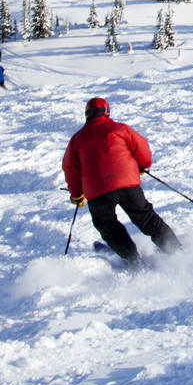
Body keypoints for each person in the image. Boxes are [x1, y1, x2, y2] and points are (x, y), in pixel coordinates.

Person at [62, 97, 179, 263]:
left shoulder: (77, 139)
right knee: (147, 219)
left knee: (107, 226)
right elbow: (142, 148)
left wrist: (76, 194)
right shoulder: (120, 129)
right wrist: (142, 165)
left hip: (98, 192)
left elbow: (70, 169)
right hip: (128, 185)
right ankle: (177, 252)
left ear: (87, 115)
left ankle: (133, 260)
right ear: (107, 112)